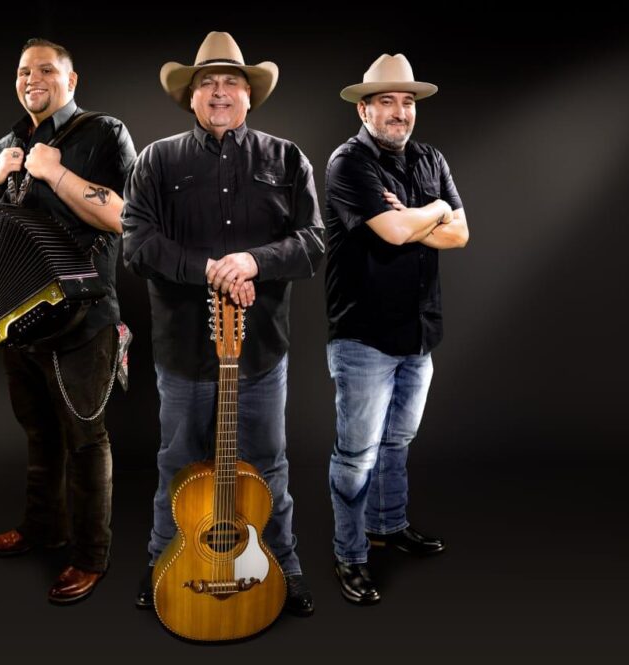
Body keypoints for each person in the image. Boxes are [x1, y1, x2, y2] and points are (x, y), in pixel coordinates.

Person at [122, 32, 324, 617]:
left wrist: (255, 261)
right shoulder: (156, 161)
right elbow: (136, 244)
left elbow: (314, 242)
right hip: (182, 350)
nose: (219, 92)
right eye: (206, 83)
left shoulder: (287, 159)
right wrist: (209, 269)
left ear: (249, 95)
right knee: (178, 464)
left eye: (230, 81)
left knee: (269, 465)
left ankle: (285, 565)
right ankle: (165, 562)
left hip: (260, 350)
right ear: (190, 98)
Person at [0, 38, 136, 604]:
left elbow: (125, 219)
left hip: (84, 320)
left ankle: (90, 556)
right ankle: (43, 529)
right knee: (39, 432)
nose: (31, 79)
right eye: (22, 71)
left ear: (71, 78)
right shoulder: (6, 143)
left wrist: (54, 173)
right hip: (18, 316)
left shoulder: (102, 132)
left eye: (44, 70)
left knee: (86, 439)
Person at [324, 53, 469, 605]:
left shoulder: (430, 157)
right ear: (364, 109)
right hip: (363, 334)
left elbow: (462, 234)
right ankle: (351, 555)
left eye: (407, 103)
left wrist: (419, 214)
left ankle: (388, 525)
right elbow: (389, 233)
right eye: (387, 101)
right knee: (356, 453)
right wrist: (433, 211)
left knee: (397, 441)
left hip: (418, 329)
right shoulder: (348, 164)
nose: (399, 112)